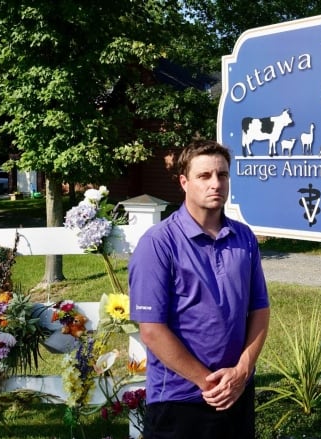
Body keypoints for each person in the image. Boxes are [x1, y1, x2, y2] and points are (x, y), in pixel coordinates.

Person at [128, 139, 271, 439]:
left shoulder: (243, 237)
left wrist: (242, 372)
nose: (215, 183)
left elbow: (259, 308)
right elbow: (152, 329)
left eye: (222, 175)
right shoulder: (158, 244)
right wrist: (210, 383)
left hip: (237, 392)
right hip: (181, 399)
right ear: (184, 182)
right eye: (204, 176)